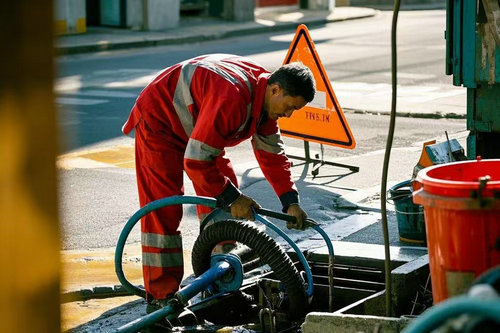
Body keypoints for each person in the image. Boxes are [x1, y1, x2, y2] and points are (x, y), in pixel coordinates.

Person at [122, 53, 316, 309]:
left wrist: (290, 201)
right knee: (164, 210)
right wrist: (234, 198)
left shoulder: (265, 99)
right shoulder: (232, 97)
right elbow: (197, 162)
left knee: (223, 200)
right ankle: (161, 298)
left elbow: (272, 155)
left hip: (196, 125)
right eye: (290, 106)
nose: (289, 114)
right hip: (160, 124)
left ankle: (220, 280)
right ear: (276, 89)